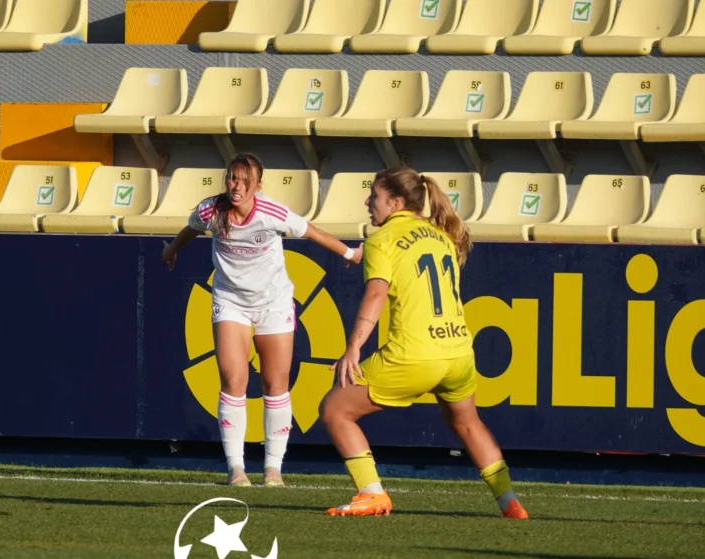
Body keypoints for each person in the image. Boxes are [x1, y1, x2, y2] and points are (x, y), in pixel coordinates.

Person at [318, 167, 528, 519]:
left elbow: (375, 295)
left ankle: (372, 494)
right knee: (468, 422)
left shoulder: (381, 240)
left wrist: (353, 347)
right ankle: (509, 502)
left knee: (335, 409)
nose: (368, 202)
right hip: (459, 352)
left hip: (416, 355)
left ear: (396, 202)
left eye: (374, 195)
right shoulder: (439, 235)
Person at [162, 153, 362, 487]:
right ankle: (236, 469)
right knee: (233, 380)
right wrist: (172, 250)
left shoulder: (272, 213)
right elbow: (191, 229)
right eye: (231, 178)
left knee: (275, 384)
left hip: (273, 301)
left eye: (243, 180)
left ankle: (273, 469)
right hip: (230, 302)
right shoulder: (211, 210)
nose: (235, 186)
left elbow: (309, 231)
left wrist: (349, 254)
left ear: (258, 185)